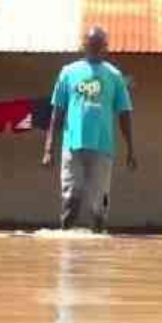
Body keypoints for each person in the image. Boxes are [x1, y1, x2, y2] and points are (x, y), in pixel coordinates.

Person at [41, 26, 137, 232]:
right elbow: (57, 112)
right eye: (91, 45)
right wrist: (49, 148)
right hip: (72, 146)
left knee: (99, 203)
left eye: (99, 46)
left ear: (106, 48)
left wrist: (130, 149)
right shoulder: (68, 73)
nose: (95, 49)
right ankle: (66, 244)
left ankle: (98, 243)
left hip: (102, 147)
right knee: (70, 198)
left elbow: (124, 112)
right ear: (84, 45)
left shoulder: (114, 76)